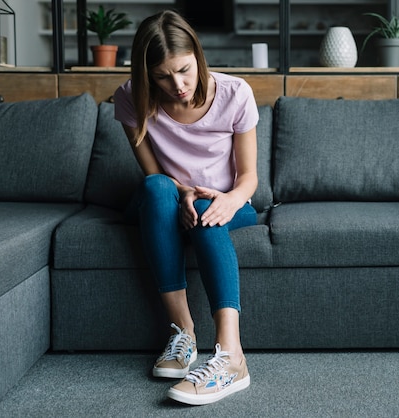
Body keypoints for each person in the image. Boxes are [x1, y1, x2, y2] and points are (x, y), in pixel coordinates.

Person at [114, 10, 259, 406]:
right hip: (166, 197)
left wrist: (225, 200)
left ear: (198, 55)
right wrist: (183, 194)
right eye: (162, 76)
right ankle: (183, 336)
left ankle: (231, 357)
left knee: (210, 217)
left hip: (227, 198)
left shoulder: (235, 93)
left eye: (184, 70)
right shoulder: (131, 97)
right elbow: (154, 173)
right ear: (147, 76)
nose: (176, 85)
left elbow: (249, 178)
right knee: (156, 185)